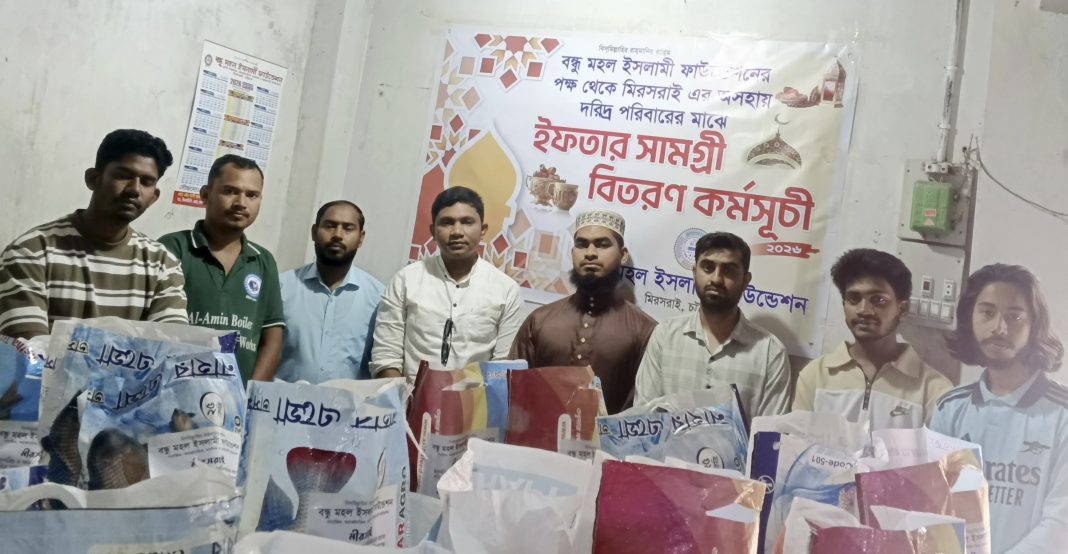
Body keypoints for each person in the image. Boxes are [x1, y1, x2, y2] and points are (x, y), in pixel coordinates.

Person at [930, 264, 1068, 553]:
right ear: (970, 318)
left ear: (1035, 326)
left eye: (1015, 316)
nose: (999, 328)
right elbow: (934, 504)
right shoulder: (950, 408)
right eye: (987, 312)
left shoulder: (1062, 414)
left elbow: (1060, 523)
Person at [0, 129, 187, 338]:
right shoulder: (31, 252)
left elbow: (170, 348)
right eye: (123, 176)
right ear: (93, 179)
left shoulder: (162, 264)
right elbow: (29, 351)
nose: (134, 189)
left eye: (146, 182)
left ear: (154, 196)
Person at [509, 209, 656, 414]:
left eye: (602, 244)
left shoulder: (645, 330)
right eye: (582, 244)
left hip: (607, 436)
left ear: (623, 255)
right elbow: (513, 389)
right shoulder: (539, 320)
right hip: (537, 434)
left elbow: (644, 409)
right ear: (572, 253)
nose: (590, 253)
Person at [634, 232, 791, 421]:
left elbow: (770, 434)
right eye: (708, 267)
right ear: (694, 272)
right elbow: (642, 417)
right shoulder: (665, 336)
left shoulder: (770, 353)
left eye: (729, 270)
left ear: (745, 280)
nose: (716, 279)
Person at [370, 186, 522, 378]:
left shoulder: (506, 290)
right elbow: (386, 356)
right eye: (447, 222)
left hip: (475, 397)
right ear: (433, 231)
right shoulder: (405, 280)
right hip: (408, 395)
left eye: (467, 222)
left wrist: (471, 398)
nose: (457, 231)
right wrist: (402, 396)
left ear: (482, 230)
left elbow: (503, 367)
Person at [792, 249, 951, 429]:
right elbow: (797, 443)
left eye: (878, 300)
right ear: (844, 304)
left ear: (902, 309)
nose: (863, 310)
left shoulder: (934, 390)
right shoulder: (816, 375)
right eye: (854, 298)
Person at [159, 155, 284, 382]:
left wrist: (248, 395)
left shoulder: (264, 261)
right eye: (230, 191)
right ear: (205, 195)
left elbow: (272, 339)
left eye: (252, 195)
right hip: (176, 389)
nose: (241, 203)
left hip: (238, 398)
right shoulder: (173, 248)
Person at [275, 200, 383, 383]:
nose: (338, 235)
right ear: (314, 232)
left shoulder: (378, 297)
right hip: (282, 400)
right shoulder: (282, 287)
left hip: (348, 401)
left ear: (361, 238)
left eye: (348, 228)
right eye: (330, 226)